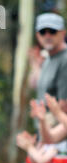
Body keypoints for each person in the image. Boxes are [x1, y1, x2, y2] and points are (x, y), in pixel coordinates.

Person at [30, 12, 67, 147]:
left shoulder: (64, 59)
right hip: (46, 129)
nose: (47, 36)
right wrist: (35, 64)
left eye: (52, 31)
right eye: (43, 32)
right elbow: (37, 86)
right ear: (37, 35)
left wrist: (49, 135)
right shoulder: (48, 58)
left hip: (59, 133)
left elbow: (63, 105)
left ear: (63, 33)